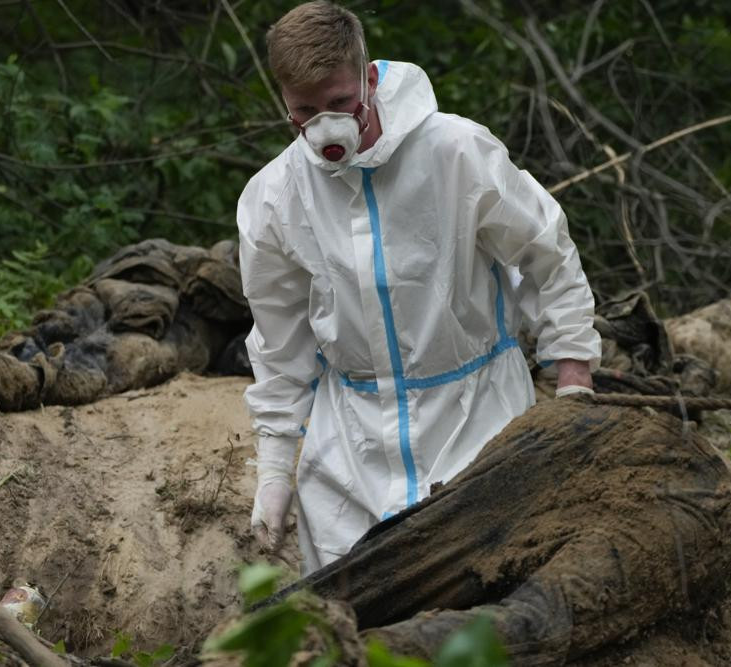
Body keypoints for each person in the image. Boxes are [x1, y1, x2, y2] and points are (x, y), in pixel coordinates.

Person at [238, 1, 600, 574]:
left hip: (479, 421)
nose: (324, 125)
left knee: (488, 600)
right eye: (304, 111)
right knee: (354, 624)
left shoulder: (456, 151)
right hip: (349, 452)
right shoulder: (274, 196)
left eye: (338, 103)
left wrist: (574, 376)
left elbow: (545, 252)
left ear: (370, 78)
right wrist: (277, 469)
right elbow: (279, 341)